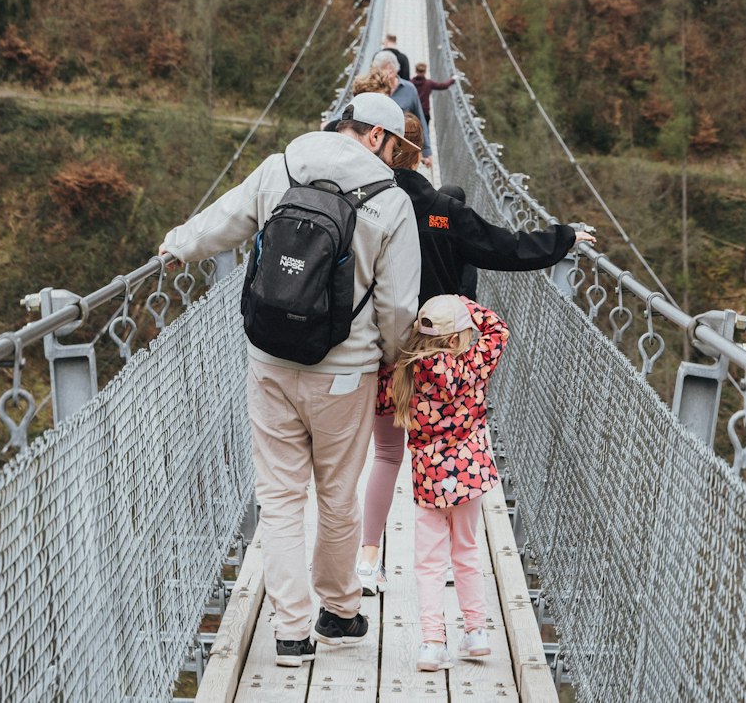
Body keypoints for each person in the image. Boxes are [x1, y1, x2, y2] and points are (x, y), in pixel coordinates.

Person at [158, 93, 421, 670]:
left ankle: (291, 634)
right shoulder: (391, 201)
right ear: (377, 138)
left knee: (278, 500)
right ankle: (338, 610)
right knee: (335, 496)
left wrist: (177, 245)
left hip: (269, 360)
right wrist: (394, 359)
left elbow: (223, 223)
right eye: (395, 144)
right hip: (344, 375)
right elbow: (399, 306)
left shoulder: (279, 167)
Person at [357, 113, 595, 598]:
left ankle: (366, 558)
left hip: (376, 352)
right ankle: (446, 563)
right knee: (440, 452)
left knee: (385, 454)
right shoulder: (443, 210)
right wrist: (562, 237)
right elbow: (503, 247)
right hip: (435, 357)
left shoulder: (360, 202)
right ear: (422, 157)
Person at [389, 294, 508, 671]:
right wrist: (462, 302)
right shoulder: (473, 364)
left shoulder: (405, 371)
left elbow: (381, 401)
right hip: (469, 475)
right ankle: (476, 632)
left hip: (429, 479)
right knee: (467, 551)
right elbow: (498, 329)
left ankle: (431, 642)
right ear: (457, 338)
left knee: (428, 562)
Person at [372, 50, 431, 161]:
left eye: (380, 73)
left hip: (402, 149)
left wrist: (427, 151)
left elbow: (420, 119)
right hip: (377, 149)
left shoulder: (409, 89)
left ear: (392, 70)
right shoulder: (373, 89)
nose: (378, 77)